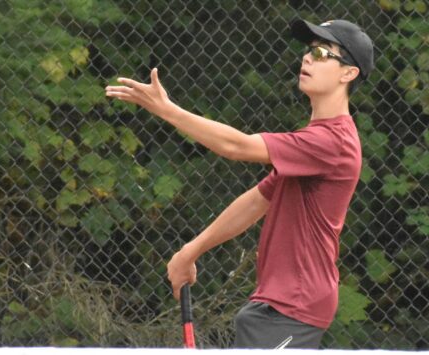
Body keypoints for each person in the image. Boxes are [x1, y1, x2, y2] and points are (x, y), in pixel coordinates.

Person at [105, 18, 374, 349]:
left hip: (295, 306)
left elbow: (237, 147)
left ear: (349, 73)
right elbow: (256, 201)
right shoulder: (313, 143)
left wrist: (167, 110)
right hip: (273, 305)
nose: (307, 58)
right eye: (308, 51)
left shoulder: (333, 142)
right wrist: (191, 251)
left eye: (321, 52)